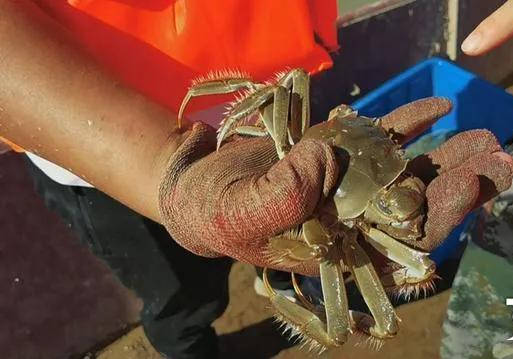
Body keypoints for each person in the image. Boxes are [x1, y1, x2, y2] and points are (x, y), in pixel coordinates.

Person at [0, 1, 512, 358]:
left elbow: (387, 306)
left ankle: (267, 290)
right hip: (91, 150)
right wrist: (168, 169)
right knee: (178, 299)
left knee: (269, 252)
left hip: (264, 96)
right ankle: (191, 350)